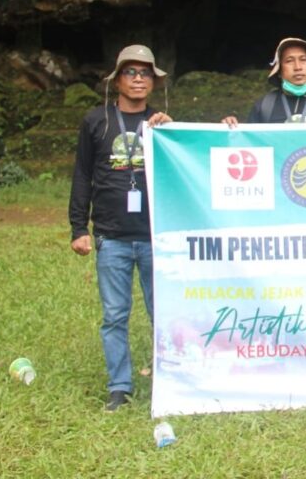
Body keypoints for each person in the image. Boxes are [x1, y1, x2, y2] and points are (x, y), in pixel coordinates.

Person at [68, 44, 173, 411]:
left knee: (163, 310)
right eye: (131, 72)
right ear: (118, 80)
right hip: (110, 235)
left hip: (154, 237)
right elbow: (82, 175)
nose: (139, 79)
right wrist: (78, 227)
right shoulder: (96, 121)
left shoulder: (163, 126)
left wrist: (172, 133)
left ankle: (172, 380)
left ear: (154, 82)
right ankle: (119, 386)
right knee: (114, 315)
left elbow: (183, 173)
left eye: (146, 73)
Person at [223, 37, 306, 127]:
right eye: (289, 61)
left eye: (303, 59)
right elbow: (249, 147)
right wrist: (229, 130)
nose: (298, 67)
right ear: (280, 71)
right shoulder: (264, 105)